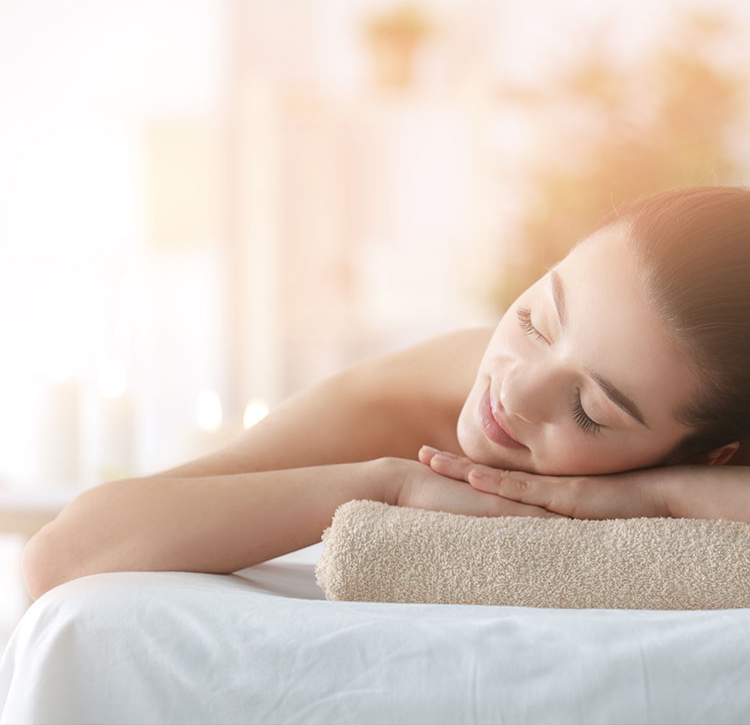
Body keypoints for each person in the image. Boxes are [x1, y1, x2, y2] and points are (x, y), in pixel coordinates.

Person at [22, 185, 750, 601]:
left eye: (589, 411)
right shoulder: (415, 395)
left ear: (716, 455)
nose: (515, 389)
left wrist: (660, 497)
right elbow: (65, 552)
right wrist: (385, 485)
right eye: (535, 318)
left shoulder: (699, 463)